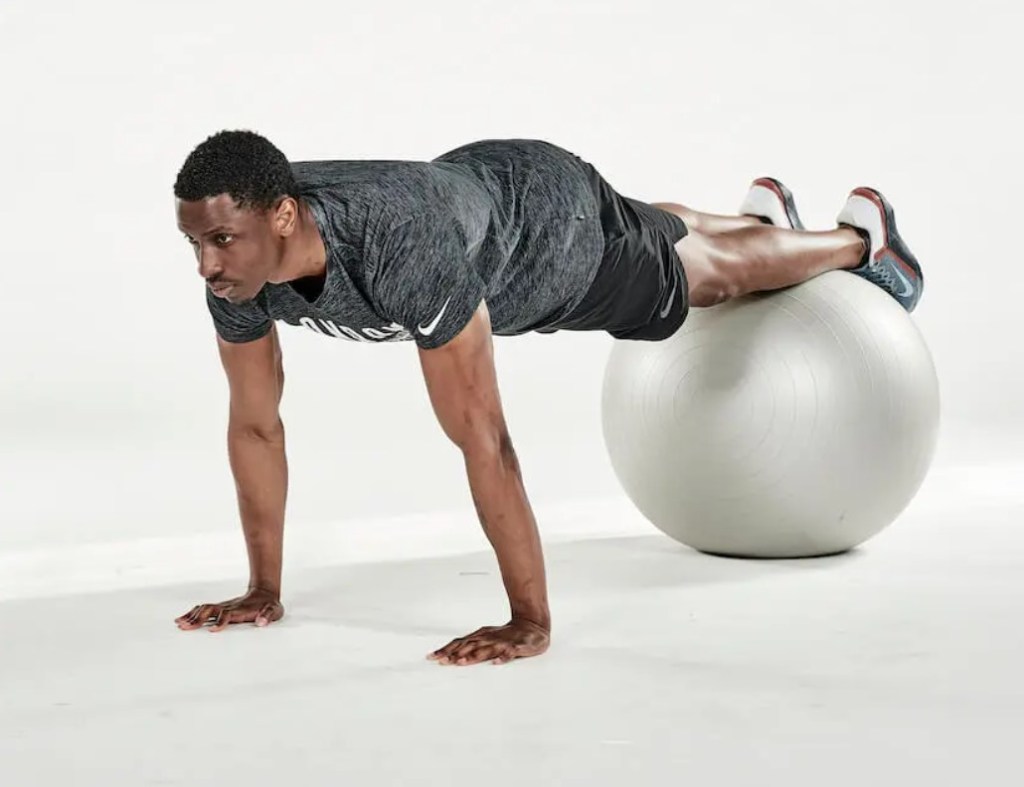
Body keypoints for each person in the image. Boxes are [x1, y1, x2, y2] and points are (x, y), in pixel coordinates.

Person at [173, 130, 923, 666]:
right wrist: (261, 589)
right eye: (195, 244)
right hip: (492, 184)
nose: (207, 264)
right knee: (651, 228)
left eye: (221, 241)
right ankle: (760, 222)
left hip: (549, 244)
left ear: (281, 215)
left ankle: (862, 245)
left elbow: (482, 436)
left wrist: (527, 620)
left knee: (705, 277)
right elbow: (256, 426)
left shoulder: (399, 247)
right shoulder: (243, 259)